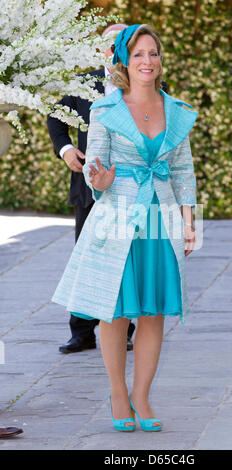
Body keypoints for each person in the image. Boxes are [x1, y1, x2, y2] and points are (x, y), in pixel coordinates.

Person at [52, 24, 197, 432]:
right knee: (113, 313)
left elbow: (184, 170)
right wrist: (99, 180)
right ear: (123, 62)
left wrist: (190, 223)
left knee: (154, 313)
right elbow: (96, 165)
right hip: (117, 219)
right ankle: (118, 393)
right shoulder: (105, 110)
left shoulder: (178, 111)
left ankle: (142, 397)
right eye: (138, 55)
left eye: (153, 53)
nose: (147, 61)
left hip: (161, 218)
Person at [47, 24, 136, 353]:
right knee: (87, 258)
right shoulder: (82, 83)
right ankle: (81, 332)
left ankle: (124, 329)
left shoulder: (148, 80)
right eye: (114, 44)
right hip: (89, 186)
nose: (119, 50)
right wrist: (66, 149)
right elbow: (56, 118)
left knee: (126, 258)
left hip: (131, 188)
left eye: (126, 42)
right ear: (102, 50)